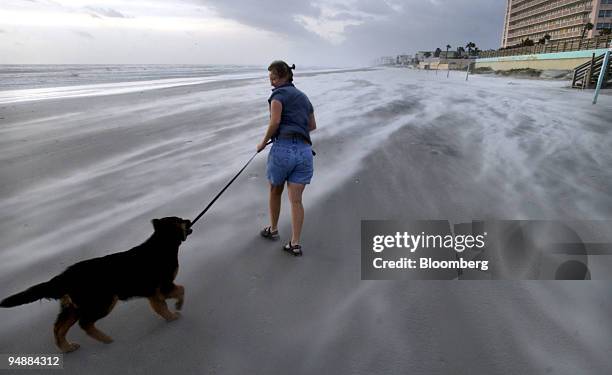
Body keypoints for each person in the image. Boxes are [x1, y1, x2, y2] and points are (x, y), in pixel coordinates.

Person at [256, 60, 316, 256]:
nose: (271, 83)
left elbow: (275, 121)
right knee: (296, 200)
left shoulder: (278, 95)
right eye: (270, 78)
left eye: (273, 78)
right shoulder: (304, 97)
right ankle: (295, 243)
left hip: (283, 148)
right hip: (305, 151)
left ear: (283, 76)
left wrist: (264, 142)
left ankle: (273, 230)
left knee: (275, 190)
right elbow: (312, 125)